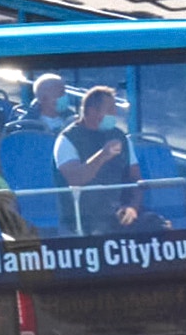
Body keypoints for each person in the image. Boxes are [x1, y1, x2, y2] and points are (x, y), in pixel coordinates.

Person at [53, 86, 169, 232]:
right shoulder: (66, 140)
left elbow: (136, 180)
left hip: (122, 211)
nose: (114, 114)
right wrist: (103, 155)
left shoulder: (120, 136)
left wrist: (132, 207)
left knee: (159, 227)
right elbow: (75, 179)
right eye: (110, 110)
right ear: (91, 111)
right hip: (86, 216)